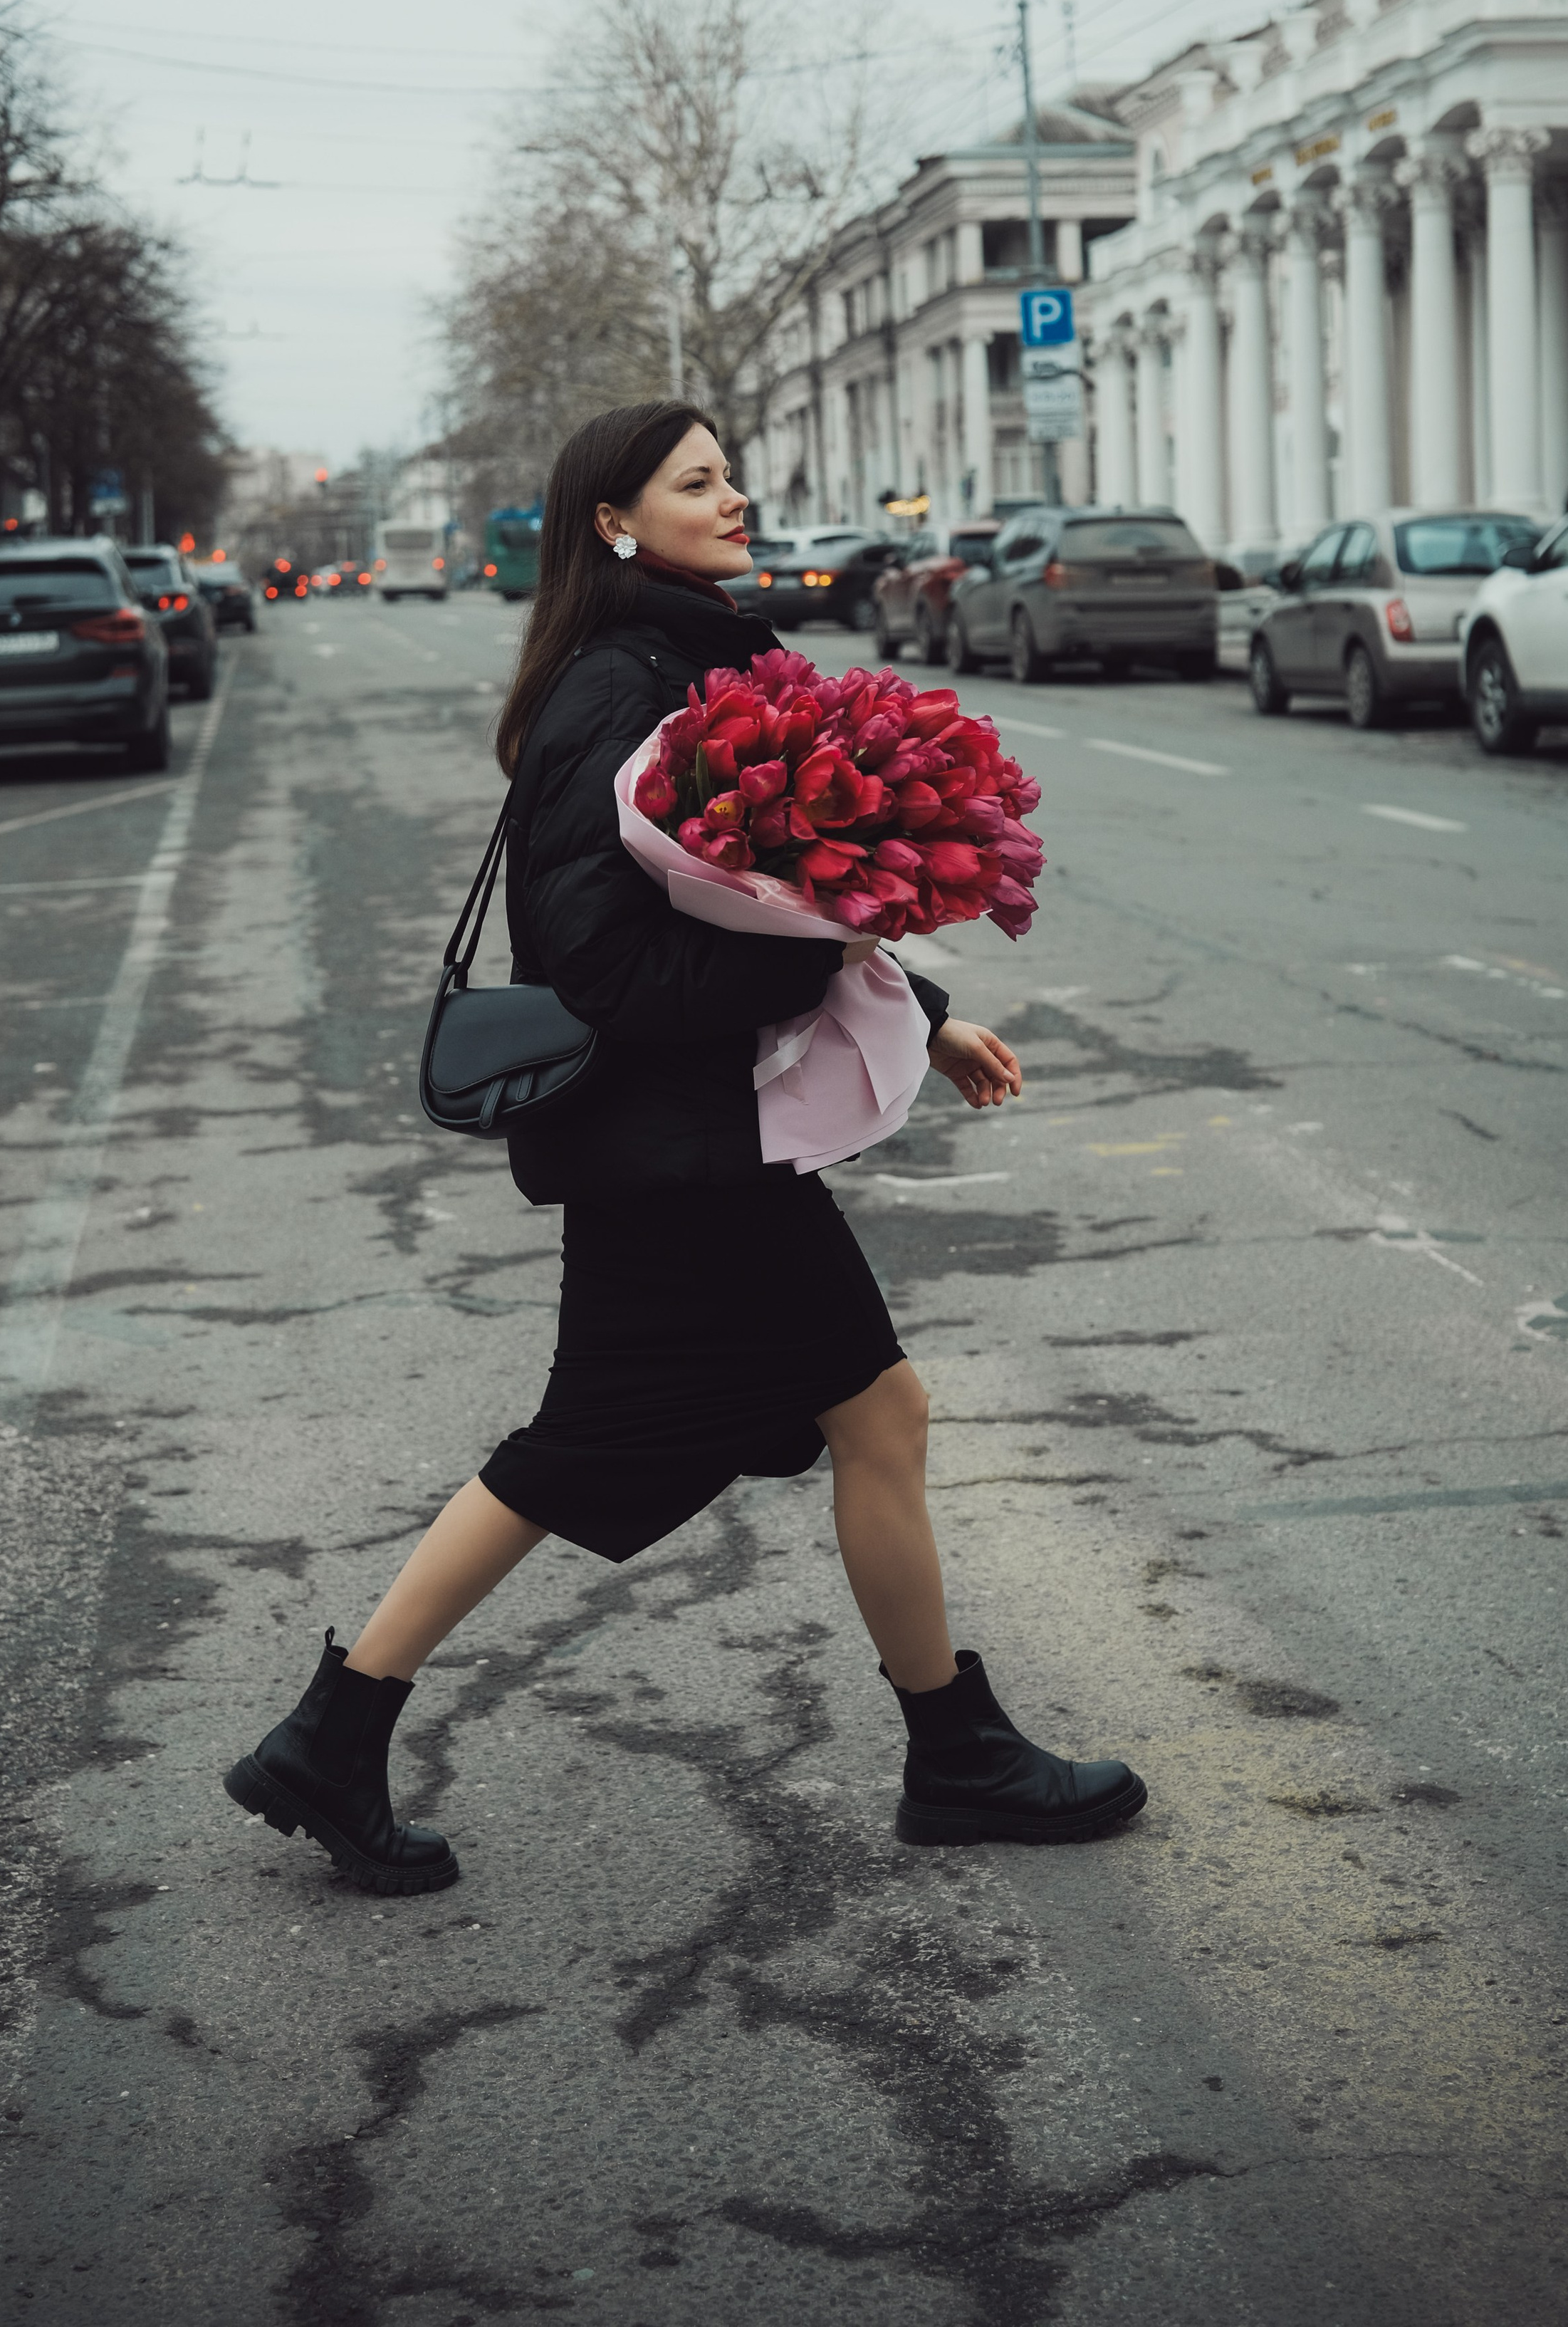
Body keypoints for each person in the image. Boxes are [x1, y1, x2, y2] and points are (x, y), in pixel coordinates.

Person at [224, 402, 1146, 1895]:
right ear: (610, 519)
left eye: (731, 476)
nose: (735, 500)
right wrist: (832, 940)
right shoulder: (619, 685)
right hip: (678, 1152)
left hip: (681, 1145)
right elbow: (607, 962)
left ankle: (335, 1735)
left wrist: (919, 995)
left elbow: (726, 908)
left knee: (824, 1418)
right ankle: (954, 1755)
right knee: (690, 1433)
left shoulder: (679, 660)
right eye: (696, 481)